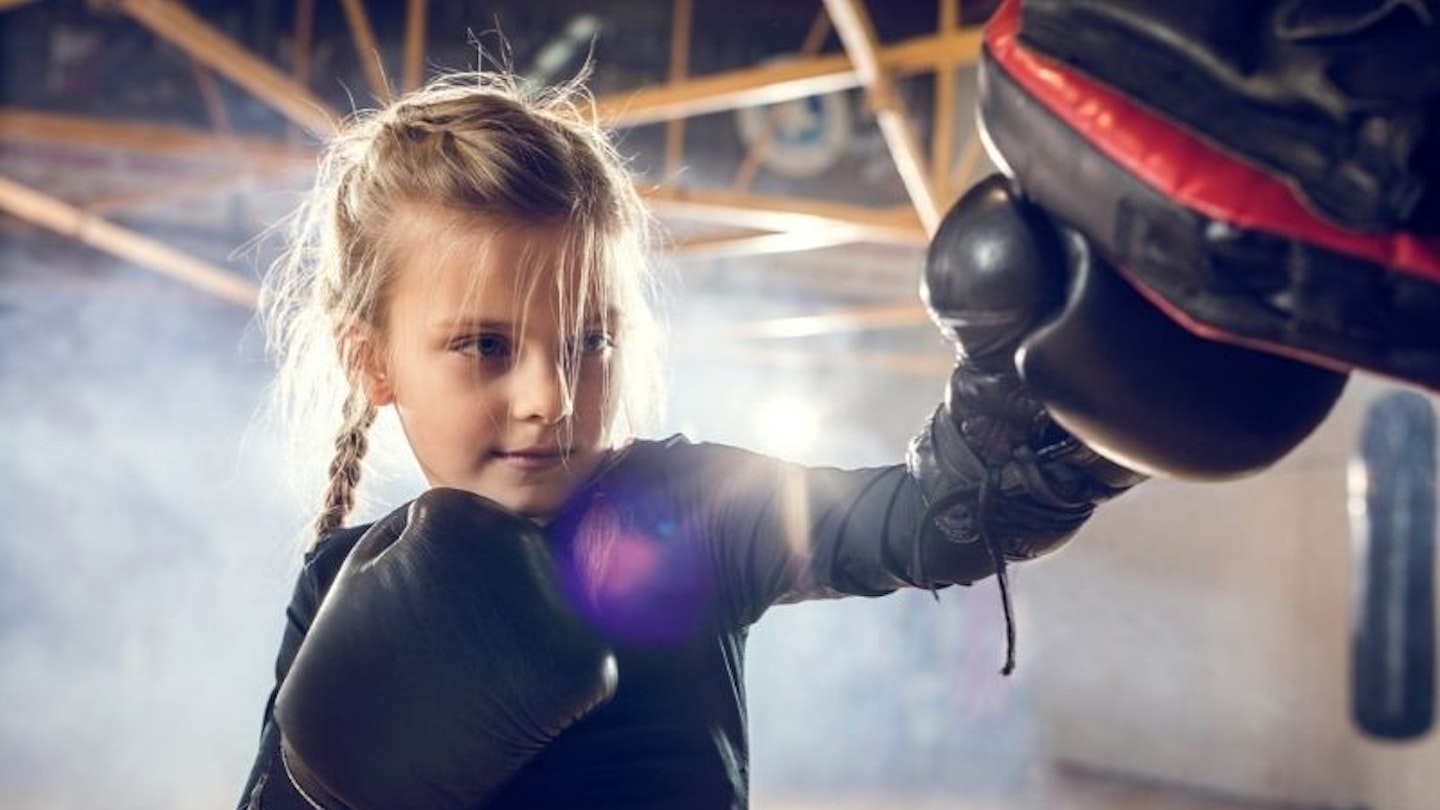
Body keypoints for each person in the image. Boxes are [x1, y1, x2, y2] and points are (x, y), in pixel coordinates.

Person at [236, 70, 1144, 810]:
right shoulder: (338, 578)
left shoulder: (685, 511)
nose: (550, 398)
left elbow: (920, 525)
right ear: (373, 362)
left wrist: (1052, 410)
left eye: (589, 341)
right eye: (486, 345)